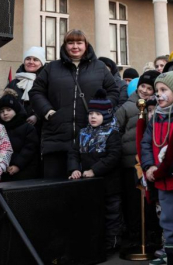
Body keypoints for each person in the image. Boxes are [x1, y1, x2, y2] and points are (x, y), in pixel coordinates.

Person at [30, 29, 119, 179]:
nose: (75, 46)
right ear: (65, 46)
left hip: (89, 142)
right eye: (70, 43)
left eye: (79, 42)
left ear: (86, 45)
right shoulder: (52, 68)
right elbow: (36, 92)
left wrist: (101, 111)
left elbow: (114, 91)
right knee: (53, 190)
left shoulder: (100, 67)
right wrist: (49, 112)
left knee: (84, 193)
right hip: (56, 139)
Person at [141, 71, 173, 264]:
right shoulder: (156, 117)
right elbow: (145, 143)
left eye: (164, 90)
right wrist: (149, 166)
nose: (158, 94)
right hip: (160, 179)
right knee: (167, 220)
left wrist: (163, 168)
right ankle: (172, 256)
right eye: (157, 90)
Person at [68, 90, 123, 252]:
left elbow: (113, 157)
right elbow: (73, 152)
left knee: (111, 214)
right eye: (90, 113)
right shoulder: (83, 133)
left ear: (105, 115)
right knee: (91, 215)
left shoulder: (112, 133)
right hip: (88, 185)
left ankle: (112, 243)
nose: (93, 117)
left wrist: (94, 170)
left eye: (97, 114)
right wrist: (74, 169)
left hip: (109, 185)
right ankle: (94, 243)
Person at [114, 69, 160, 247]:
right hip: (130, 161)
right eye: (143, 86)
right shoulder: (127, 106)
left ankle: (151, 235)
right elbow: (116, 131)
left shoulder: (157, 107)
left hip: (149, 163)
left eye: (150, 88)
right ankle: (135, 237)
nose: (145, 90)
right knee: (132, 202)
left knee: (149, 202)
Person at [0, 89, 40, 181]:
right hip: (3, 171)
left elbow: (29, 149)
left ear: (16, 110)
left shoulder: (28, 128)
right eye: (2, 111)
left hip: (25, 172)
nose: (5, 113)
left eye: (9, 110)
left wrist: (17, 165)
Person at [5, 46, 47, 132]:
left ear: (42, 63)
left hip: (40, 129)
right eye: (28, 59)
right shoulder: (13, 83)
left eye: (35, 59)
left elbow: (51, 103)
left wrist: (37, 116)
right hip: (16, 128)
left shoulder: (47, 82)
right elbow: (5, 104)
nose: (31, 62)